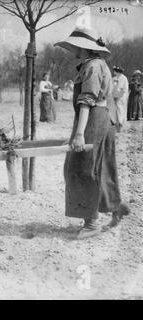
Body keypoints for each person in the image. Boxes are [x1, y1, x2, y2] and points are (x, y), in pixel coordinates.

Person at [54, 27, 130, 239]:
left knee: (81, 166)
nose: (73, 50)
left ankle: (92, 222)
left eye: (76, 46)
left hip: (94, 120)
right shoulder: (98, 64)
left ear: (82, 47)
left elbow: (87, 100)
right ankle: (115, 206)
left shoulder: (93, 67)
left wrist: (79, 134)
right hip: (103, 118)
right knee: (102, 166)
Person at [112, 66, 129, 131]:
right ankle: (116, 124)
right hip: (114, 96)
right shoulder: (113, 78)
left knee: (121, 109)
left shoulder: (124, 78)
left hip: (122, 97)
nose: (114, 72)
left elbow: (125, 89)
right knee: (115, 110)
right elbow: (111, 87)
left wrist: (119, 93)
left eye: (115, 71)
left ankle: (121, 124)